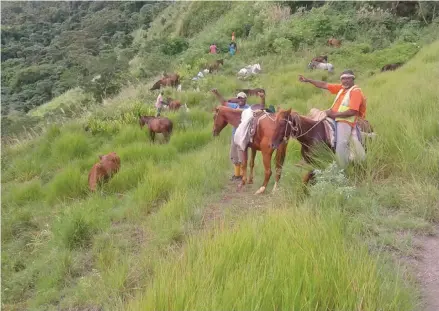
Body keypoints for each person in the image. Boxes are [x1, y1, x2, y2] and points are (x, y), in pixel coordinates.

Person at [298, 69, 367, 169]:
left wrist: (334, 115)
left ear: (353, 79)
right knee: (313, 118)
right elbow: (324, 85)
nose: (345, 81)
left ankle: (342, 168)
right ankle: (307, 156)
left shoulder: (356, 92)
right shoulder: (342, 88)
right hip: (333, 115)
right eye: (343, 79)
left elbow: (353, 111)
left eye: (348, 78)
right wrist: (308, 80)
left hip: (346, 120)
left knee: (341, 144)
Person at [211, 89, 250, 181]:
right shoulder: (235, 105)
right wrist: (217, 94)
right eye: (239, 98)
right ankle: (237, 175)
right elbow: (224, 103)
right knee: (234, 154)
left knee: (242, 155)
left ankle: (242, 175)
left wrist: (232, 110)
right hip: (234, 134)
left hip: (243, 136)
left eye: (242, 98)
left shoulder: (248, 108)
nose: (240, 100)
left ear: (245, 99)